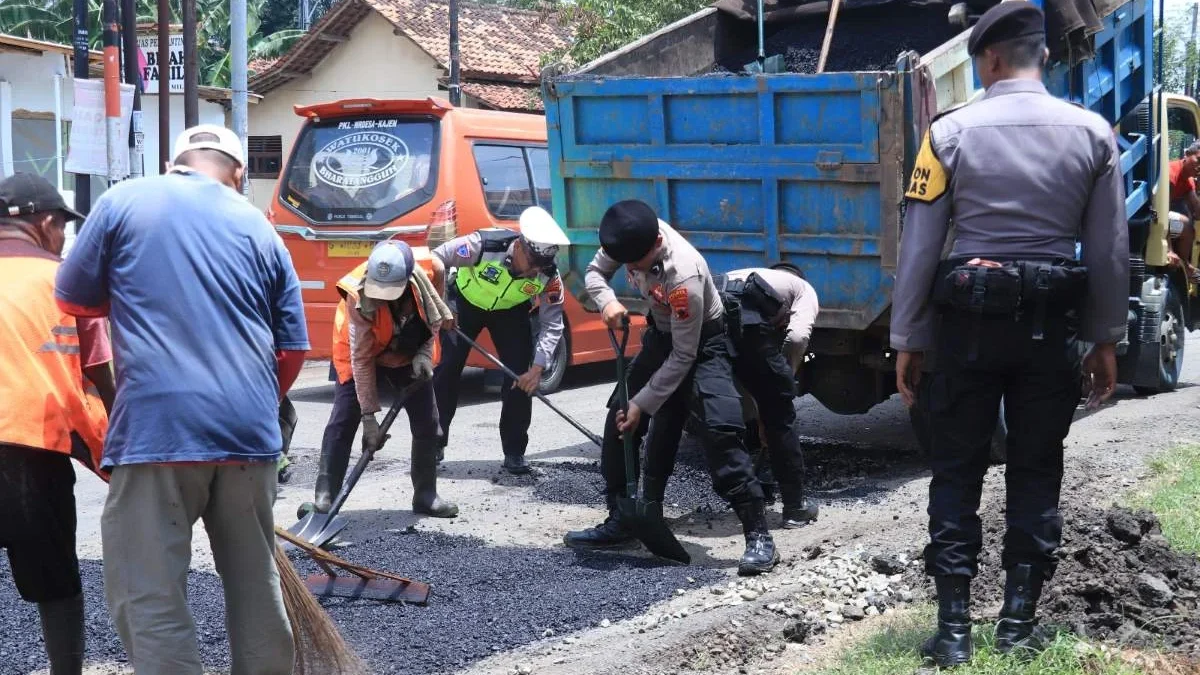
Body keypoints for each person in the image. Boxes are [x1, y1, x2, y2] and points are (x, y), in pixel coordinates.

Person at [891, 3, 1128, 666]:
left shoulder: (947, 134)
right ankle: (1018, 628)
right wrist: (1106, 337)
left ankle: (955, 632)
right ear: (1041, 56)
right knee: (1035, 468)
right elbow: (1108, 251)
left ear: (989, 60)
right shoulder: (1094, 133)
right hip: (1051, 331)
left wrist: (909, 337)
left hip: (966, 327)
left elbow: (920, 247)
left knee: (956, 468)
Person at [55, 124, 309, 675]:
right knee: (256, 583)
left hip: (157, 431)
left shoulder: (123, 201)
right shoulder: (262, 231)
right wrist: (257, 405)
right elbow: (292, 349)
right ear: (237, 174)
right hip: (249, 435)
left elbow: (75, 299)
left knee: (149, 591)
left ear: (176, 162)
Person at [563, 199, 779, 576]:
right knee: (619, 416)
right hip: (662, 336)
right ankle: (624, 517)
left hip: (702, 345)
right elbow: (595, 272)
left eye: (637, 267)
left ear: (656, 244)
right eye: (627, 267)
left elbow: (684, 355)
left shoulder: (684, 276)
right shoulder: (629, 232)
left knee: (721, 429)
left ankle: (759, 535)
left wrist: (644, 404)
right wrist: (607, 301)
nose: (630, 271)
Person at [0, 173, 114, 675]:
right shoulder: (64, 281)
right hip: (28, 449)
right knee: (56, 584)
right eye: (63, 227)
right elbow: (100, 377)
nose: (64, 238)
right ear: (46, 223)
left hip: (27, 440)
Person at [313, 239, 458, 518]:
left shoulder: (428, 271)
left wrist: (424, 355)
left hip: (406, 347)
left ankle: (426, 495)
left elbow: (434, 315)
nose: (383, 297)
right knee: (344, 417)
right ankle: (325, 496)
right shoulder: (358, 299)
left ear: (407, 280)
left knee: (428, 421)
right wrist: (369, 419)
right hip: (359, 351)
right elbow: (363, 360)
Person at [430, 206, 570, 474]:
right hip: (465, 304)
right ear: (519, 247)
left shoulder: (548, 276)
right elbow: (436, 258)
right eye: (531, 265)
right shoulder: (483, 245)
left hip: (510, 312)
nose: (533, 273)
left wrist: (538, 369)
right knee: (448, 370)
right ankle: (434, 442)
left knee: (519, 376)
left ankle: (515, 451)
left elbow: (552, 324)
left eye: (540, 268)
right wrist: (442, 306)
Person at [715, 263, 820, 528]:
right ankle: (796, 509)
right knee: (779, 417)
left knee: (722, 412)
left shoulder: (746, 274)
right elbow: (796, 338)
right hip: (744, 322)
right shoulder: (803, 288)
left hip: (710, 319)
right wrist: (785, 377)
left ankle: (748, 495)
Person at [1168, 142, 1200, 276]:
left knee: (1189, 228)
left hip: (1162, 213)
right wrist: (1167, 249)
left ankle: (1184, 263)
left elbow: (1197, 211)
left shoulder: (1189, 180)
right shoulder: (1171, 173)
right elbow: (1160, 211)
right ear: (1187, 154)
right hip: (1152, 212)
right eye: (1198, 159)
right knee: (1186, 224)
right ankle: (1183, 264)